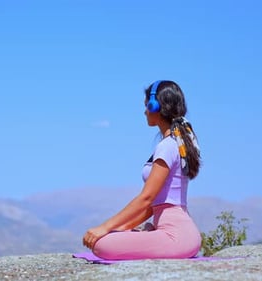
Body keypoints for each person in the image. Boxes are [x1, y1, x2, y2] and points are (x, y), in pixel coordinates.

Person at [82, 80, 202, 260]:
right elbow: (154, 206)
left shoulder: (167, 147)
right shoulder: (176, 144)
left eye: (146, 106)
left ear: (155, 106)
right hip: (184, 234)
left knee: (102, 245)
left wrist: (104, 227)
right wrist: (124, 226)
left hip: (176, 236)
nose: (145, 111)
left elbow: (146, 198)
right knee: (114, 235)